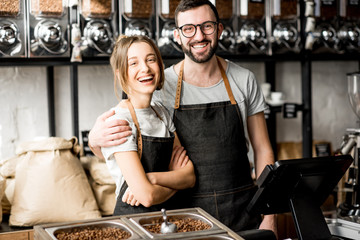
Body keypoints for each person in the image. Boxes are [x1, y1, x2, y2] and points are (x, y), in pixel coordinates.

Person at [89, 0, 277, 235]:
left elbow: (263, 150)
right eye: (189, 28)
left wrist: (270, 215)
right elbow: (126, 147)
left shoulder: (244, 80)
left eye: (207, 26)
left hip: (241, 212)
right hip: (184, 217)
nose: (199, 36)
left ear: (219, 29)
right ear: (177, 36)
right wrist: (94, 141)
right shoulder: (158, 84)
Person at [99, 34, 196, 215]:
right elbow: (147, 197)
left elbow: (189, 177)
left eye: (151, 60)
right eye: (133, 63)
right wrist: (175, 181)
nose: (145, 68)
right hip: (133, 223)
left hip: (168, 219)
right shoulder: (120, 122)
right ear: (121, 74)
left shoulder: (161, 113)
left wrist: (151, 178)